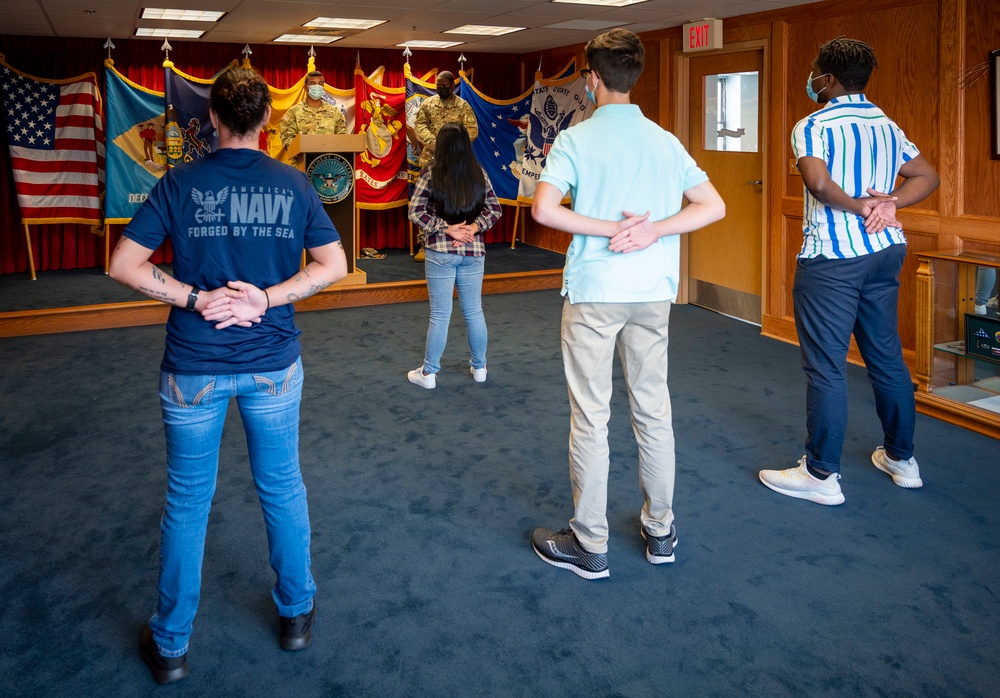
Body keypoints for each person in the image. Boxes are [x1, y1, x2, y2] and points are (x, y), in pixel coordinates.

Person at [108, 66, 348, 684]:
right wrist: (266, 299)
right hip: (272, 364)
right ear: (267, 121)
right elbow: (334, 264)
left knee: (187, 503)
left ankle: (171, 649)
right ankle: (295, 617)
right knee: (283, 489)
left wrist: (195, 298)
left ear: (211, 118)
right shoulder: (294, 183)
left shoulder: (179, 180)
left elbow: (124, 265)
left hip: (194, 367)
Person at [529, 29, 725, 580]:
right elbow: (712, 205)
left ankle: (591, 545)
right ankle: (661, 532)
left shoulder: (577, 138)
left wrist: (608, 228)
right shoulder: (664, 140)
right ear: (633, 76)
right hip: (651, 291)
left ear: (592, 79)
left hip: (595, 291)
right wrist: (652, 231)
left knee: (592, 415)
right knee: (652, 408)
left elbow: (544, 211)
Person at [758, 37, 940, 506]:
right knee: (886, 356)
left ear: (827, 78)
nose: (812, 79)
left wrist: (863, 206)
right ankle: (902, 460)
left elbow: (817, 183)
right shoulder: (886, 124)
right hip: (885, 251)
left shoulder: (812, 124)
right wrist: (888, 203)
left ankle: (820, 475)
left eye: (815, 72)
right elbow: (928, 176)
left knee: (826, 366)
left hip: (832, 260)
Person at [406, 122, 501, 389]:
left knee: (440, 314)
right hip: (473, 250)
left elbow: (415, 212)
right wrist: (473, 227)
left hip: (440, 251)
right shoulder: (478, 173)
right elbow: (495, 209)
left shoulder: (431, 172)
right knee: (474, 311)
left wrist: (446, 228)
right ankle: (480, 367)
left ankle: (429, 374)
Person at [411, 71, 479, 261]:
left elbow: (472, 131)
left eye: (444, 85)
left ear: (452, 85)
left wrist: (452, 145)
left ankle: (459, 236)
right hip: (431, 161)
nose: (440, 88)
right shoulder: (428, 104)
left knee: (455, 200)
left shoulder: (463, 106)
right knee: (427, 203)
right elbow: (419, 127)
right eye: (438, 85)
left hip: (457, 163)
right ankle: (424, 244)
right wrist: (436, 143)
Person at [278, 70, 347, 160]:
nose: (317, 86)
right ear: (305, 87)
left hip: (329, 165)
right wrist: (309, 147)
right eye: (313, 83)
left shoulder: (335, 112)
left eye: (320, 83)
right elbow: (288, 141)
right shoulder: (293, 113)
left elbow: (342, 140)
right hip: (302, 165)